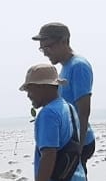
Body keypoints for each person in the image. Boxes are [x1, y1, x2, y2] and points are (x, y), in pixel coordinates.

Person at [33, 22, 95, 168]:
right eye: (42, 48)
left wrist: (78, 150)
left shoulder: (78, 66)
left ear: (64, 41)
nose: (46, 52)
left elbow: (84, 111)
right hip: (67, 141)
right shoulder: (65, 67)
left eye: (49, 47)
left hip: (77, 143)